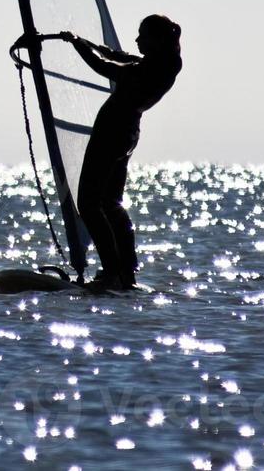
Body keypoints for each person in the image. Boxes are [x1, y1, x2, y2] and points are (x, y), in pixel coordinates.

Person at [17, 15, 182, 292]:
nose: (137, 40)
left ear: (158, 39)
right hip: (125, 135)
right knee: (110, 203)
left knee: (89, 204)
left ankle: (113, 271)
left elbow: (104, 66)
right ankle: (126, 273)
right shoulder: (162, 62)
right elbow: (115, 55)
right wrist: (82, 41)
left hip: (111, 136)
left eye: (143, 35)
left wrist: (76, 45)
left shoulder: (151, 70)